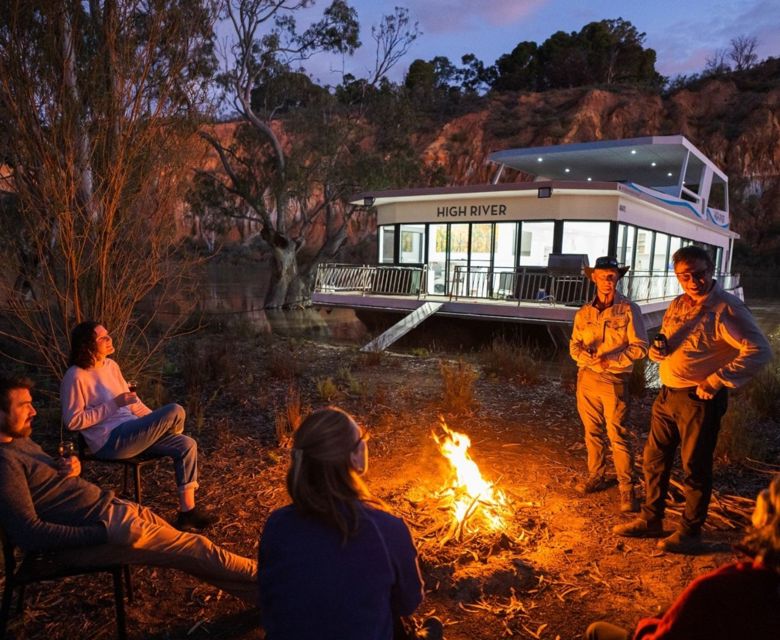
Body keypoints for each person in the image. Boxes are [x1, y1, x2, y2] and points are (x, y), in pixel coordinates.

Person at [0, 376, 258, 604]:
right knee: (197, 548)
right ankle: (278, 580)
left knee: (192, 553)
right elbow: (29, 533)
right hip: (102, 527)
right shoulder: (4, 463)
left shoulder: (19, 440)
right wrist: (99, 534)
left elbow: (45, 486)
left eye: (32, 403)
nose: (34, 411)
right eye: (24, 406)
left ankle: (268, 595)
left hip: (111, 509)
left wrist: (71, 467)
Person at [614, 246, 772, 553]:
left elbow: (760, 351)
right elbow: (670, 342)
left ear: (710, 271)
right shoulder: (678, 304)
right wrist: (659, 351)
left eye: (698, 274)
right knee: (654, 459)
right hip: (667, 395)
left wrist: (716, 380)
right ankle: (651, 519)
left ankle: (689, 532)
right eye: (684, 276)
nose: (692, 281)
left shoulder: (727, 308)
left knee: (695, 467)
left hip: (698, 400)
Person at [258, 406, 442, 640]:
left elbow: (270, 599)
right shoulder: (387, 529)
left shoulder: (277, 525)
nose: (365, 443)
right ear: (354, 457)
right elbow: (409, 603)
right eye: (361, 440)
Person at [584, 474, 780, 639]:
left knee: (596, 631)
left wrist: (649, 625)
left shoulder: (720, 588)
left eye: (770, 493)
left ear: (767, 520)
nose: (762, 495)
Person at [60, 320, 213, 531]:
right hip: (110, 441)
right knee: (175, 410)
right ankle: (171, 428)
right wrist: (114, 405)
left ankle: (188, 513)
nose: (109, 339)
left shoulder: (111, 366)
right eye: (102, 338)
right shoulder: (75, 376)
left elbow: (133, 403)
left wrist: (155, 424)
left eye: (108, 335)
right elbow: (73, 421)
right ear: (87, 345)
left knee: (186, 444)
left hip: (134, 432)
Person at [570, 256, 648, 512]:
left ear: (618, 278)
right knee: (591, 432)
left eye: (612, 276)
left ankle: (628, 489)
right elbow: (574, 346)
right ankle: (597, 476)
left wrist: (611, 359)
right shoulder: (584, 312)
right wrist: (585, 357)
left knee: (618, 434)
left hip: (614, 379)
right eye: (603, 275)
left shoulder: (628, 309)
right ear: (594, 278)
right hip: (587, 378)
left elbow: (640, 347)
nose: (608, 280)